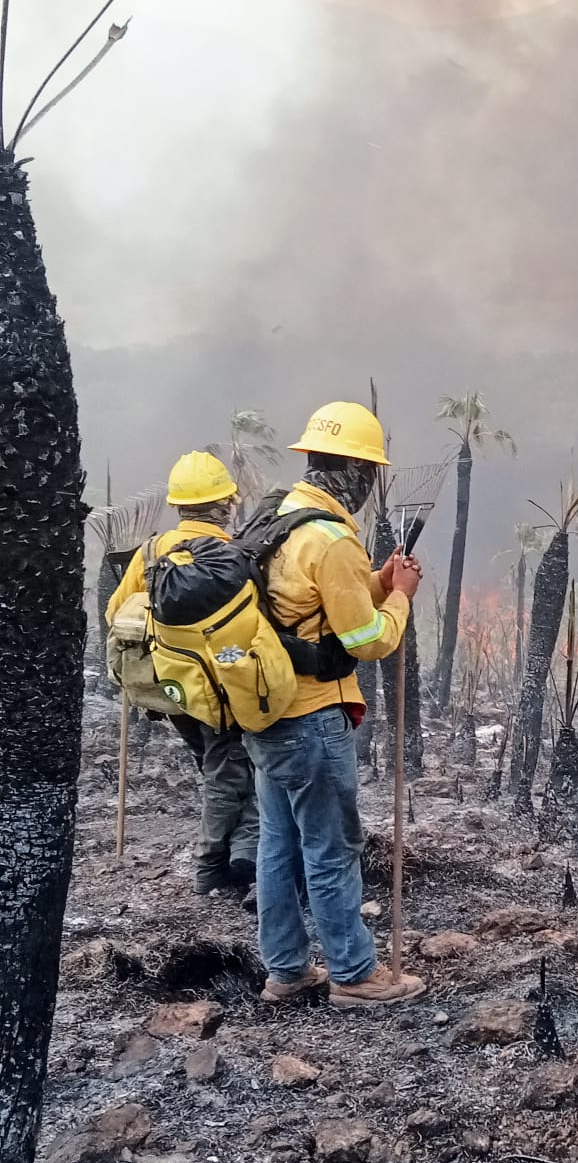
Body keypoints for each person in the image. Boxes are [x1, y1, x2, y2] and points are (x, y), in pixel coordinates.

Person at [243, 401, 426, 1010]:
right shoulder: (331, 540)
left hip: (264, 710)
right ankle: (354, 973)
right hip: (312, 717)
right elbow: (367, 640)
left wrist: (377, 581)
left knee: (278, 845)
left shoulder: (276, 520)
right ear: (355, 471)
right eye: (368, 470)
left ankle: (287, 971)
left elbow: (309, 610)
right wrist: (399, 597)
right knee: (330, 847)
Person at [106, 450, 261, 900]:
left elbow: (119, 611)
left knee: (222, 766)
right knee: (230, 768)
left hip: (168, 687)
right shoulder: (232, 555)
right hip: (221, 686)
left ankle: (241, 856)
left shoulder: (153, 549)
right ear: (226, 504)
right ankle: (213, 866)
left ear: (178, 505)